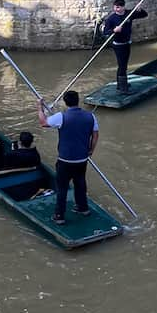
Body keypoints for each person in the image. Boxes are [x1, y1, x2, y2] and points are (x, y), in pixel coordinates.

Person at [38, 89, 99, 224]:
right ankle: (83, 208)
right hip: (82, 159)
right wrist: (91, 150)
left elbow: (43, 123)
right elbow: (95, 135)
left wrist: (40, 108)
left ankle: (59, 216)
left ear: (65, 102)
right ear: (78, 100)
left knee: (62, 187)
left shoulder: (61, 116)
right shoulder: (91, 116)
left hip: (65, 160)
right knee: (80, 183)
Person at [101, 0, 148, 93]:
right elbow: (105, 32)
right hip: (118, 45)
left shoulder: (128, 14)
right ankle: (123, 88)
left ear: (123, 7)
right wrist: (114, 30)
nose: (116, 9)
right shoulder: (111, 19)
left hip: (127, 43)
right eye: (115, 7)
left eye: (118, 7)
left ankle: (121, 83)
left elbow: (144, 15)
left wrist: (140, 10)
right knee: (122, 66)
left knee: (124, 65)